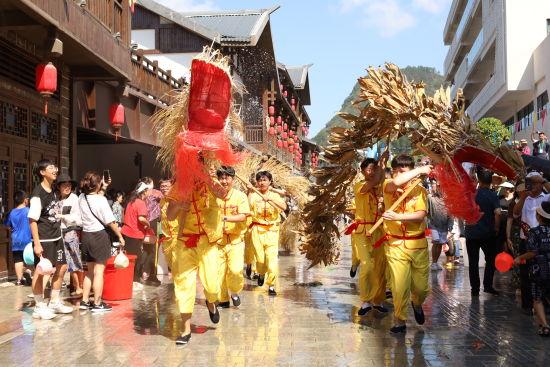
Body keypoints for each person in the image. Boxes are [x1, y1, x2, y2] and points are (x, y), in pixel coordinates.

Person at [165, 177, 226, 346]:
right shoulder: (179, 186)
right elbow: (170, 216)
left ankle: (211, 301)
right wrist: (178, 205)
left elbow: (224, 194)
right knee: (183, 285)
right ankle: (186, 329)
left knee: (212, 286)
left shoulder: (212, 182)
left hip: (208, 242)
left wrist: (207, 176)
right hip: (185, 242)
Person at [382, 155, 432, 334]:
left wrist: (398, 217)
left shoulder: (419, 190)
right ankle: (399, 320)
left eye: (409, 172)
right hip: (395, 244)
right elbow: (395, 184)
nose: (408, 176)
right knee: (399, 285)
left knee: (421, 287)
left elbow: (420, 215)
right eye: (403, 172)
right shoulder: (387, 185)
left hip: (417, 244)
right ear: (394, 171)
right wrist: (419, 170)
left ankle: (417, 303)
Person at [28, 159, 73, 319]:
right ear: (42, 172)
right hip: (44, 239)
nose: (55, 169)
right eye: (51, 168)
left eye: (55, 167)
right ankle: (39, 306)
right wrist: (37, 244)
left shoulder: (54, 190)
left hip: (57, 236)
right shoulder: (37, 194)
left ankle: (54, 301)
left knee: (61, 268)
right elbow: (32, 220)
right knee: (40, 272)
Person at [79, 171, 125, 312]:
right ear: (97, 184)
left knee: (89, 272)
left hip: (86, 235)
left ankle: (84, 301)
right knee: (99, 272)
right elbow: (110, 221)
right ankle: (97, 303)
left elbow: (95, 197)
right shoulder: (101, 200)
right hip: (99, 236)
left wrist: (103, 186)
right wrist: (120, 236)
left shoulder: (82, 198)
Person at [350, 154, 389, 316]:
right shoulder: (359, 186)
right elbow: (373, 182)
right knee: (367, 266)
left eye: (374, 169)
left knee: (380, 267)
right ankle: (365, 300)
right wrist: (382, 164)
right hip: (362, 232)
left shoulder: (381, 188)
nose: (372, 172)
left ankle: (377, 300)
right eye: (369, 169)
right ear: (362, 171)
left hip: (379, 231)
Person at [513, 172, 550, 312]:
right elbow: (515, 214)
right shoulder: (524, 199)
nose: (532, 186)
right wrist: (522, 198)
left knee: (545, 273)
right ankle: (527, 305)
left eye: (534, 183)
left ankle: (544, 304)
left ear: (540, 184)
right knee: (525, 274)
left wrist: (543, 180)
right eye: (530, 183)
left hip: (544, 242)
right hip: (526, 241)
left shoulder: (546, 197)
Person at [215, 166, 250, 308]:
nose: (224, 181)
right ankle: (223, 299)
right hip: (217, 241)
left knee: (235, 270)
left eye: (227, 178)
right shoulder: (214, 196)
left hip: (235, 241)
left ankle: (234, 292)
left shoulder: (240, 196)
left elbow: (243, 216)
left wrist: (224, 218)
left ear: (233, 179)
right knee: (219, 272)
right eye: (221, 178)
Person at [514, 201, 550, 336]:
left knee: (537, 298)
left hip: (539, 270)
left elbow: (533, 252)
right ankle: (542, 325)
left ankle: (545, 326)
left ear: (539, 216)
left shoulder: (534, 232)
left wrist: (519, 257)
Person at [248, 171, 287, 296]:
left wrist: (270, 199)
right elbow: (247, 207)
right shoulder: (254, 195)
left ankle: (271, 285)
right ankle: (261, 273)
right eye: (259, 180)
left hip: (272, 230)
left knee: (272, 259)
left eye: (264, 180)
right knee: (259, 259)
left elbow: (284, 206)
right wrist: (249, 191)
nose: (262, 182)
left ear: (270, 182)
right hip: (257, 231)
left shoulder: (275, 195)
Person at [465, 169, 501, 297]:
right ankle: (488, 286)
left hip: (471, 233)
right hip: (488, 233)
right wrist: (496, 228)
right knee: (491, 260)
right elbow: (497, 214)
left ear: (479, 181)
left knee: (473, 262)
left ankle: (474, 289)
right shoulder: (493, 195)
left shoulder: (471, 194)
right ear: (491, 181)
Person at [57, 174, 84, 296]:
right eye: (64, 185)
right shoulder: (57, 199)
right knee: (67, 261)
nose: (67, 187)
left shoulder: (74, 198)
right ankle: (75, 286)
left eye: (69, 185)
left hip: (71, 233)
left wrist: (62, 216)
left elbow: (77, 217)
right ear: (59, 187)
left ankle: (80, 286)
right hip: (59, 234)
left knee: (75, 259)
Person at [121, 182, 152, 286]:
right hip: (134, 233)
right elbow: (141, 218)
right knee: (135, 258)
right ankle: (133, 280)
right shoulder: (140, 203)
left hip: (126, 232)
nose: (149, 192)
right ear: (144, 192)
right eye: (148, 190)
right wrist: (148, 224)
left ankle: (128, 279)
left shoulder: (130, 202)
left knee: (129, 257)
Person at [4, 190, 32, 286]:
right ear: (25, 200)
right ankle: (30, 274)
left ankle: (19, 280)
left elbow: (8, 226)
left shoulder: (12, 212)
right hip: (27, 239)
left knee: (18, 260)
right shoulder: (28, 211)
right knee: (30, 258)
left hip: (16, 240)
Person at [427, 181, 453, 271]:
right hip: (433, 225)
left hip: (444, 225)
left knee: (439, 244)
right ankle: (433, 263)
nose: (440, 188)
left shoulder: (449, 199)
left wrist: (450, 225)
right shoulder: (430, 198)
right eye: (438, 186)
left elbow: (450, 214)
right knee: (436, 242)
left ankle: (435, 262)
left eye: (442, 186)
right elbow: (426, 211)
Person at [142, 177, 163, 285]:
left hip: (144, 222)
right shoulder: (156, 193)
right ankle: (152, 275)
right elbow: (165, 198)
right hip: (155, 222)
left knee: (146, 249)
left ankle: (143, 272)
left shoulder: (141, 194)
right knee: (154, 250)